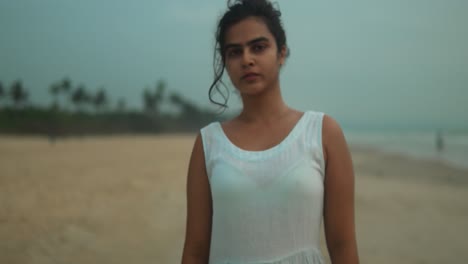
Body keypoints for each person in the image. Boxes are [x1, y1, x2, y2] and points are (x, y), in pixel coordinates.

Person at [181, 0, 359, 263]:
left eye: (259, 47)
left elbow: (343, 244)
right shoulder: (209, 143)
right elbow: (195, 250)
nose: (247, 59)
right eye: (234, 52)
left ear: (282, 53)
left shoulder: (321, 133)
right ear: (226, 64)